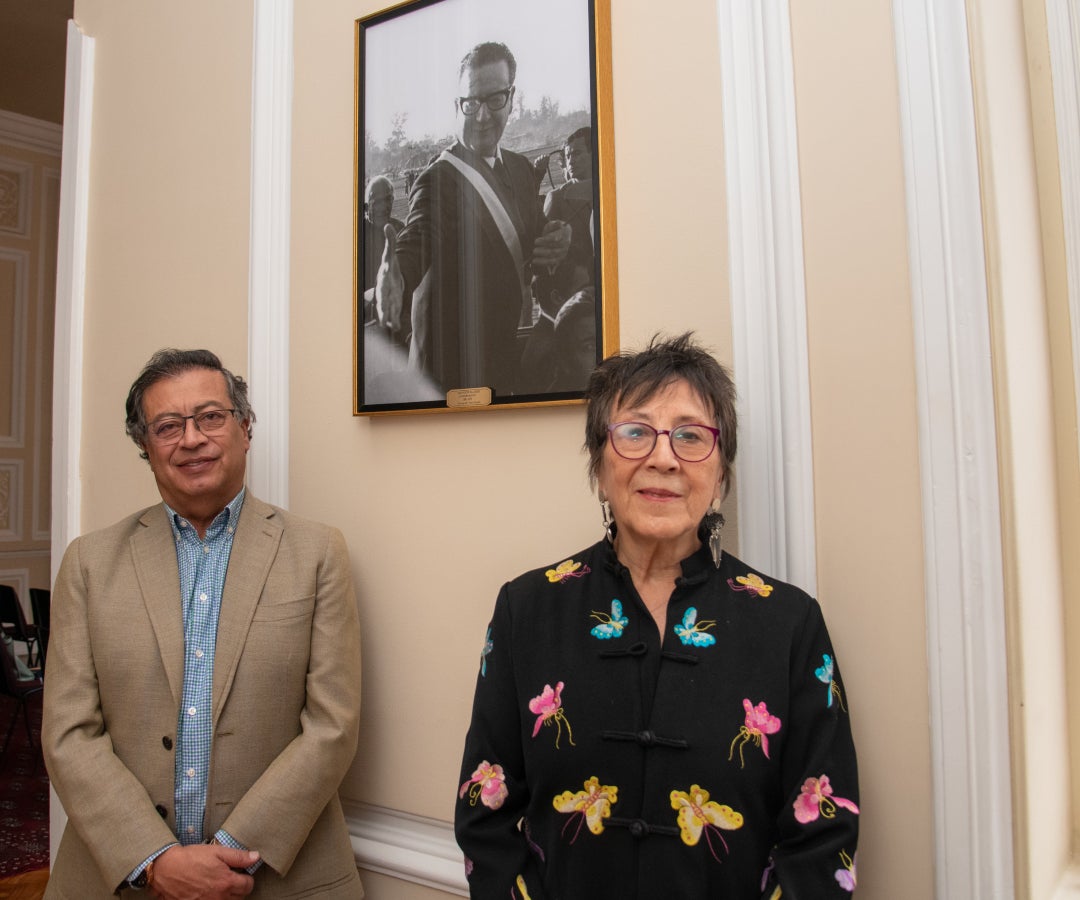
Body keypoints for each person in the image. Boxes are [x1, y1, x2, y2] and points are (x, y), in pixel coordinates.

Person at [455, 334, 859, 898]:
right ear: (598, 466)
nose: (663, 457)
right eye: (635, 432)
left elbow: (824, 835)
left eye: (691, 436)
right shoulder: (527, 608)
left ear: (720, 475)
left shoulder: (788, 623)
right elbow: (485, 810)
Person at [42, 349, 363, 899]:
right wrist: (156, 860)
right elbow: (70, 733)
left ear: (244, 429)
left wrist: (231, 854)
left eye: (210, 417)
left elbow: (333, 725)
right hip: (119, 877)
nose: (191, 439)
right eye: (167, 426)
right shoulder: (89, 563)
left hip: (279, 875)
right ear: (145, 446)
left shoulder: (317, 552)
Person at [375, 41, 571, 399]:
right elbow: (418, 235)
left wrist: (554, 239)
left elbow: (522, 241)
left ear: (512, 99)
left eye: (494, 99)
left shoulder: (521, 170)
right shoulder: (438, 181)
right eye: (471, 103)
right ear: (458, 105)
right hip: (444, 381)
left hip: (503, 366)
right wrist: (397, 275)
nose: (481, 116)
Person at [533, 126, 595, 314]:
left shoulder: (612, 189)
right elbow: (544, 252)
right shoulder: (557, 197)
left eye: (577, 154)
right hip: (572, 289)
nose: (571, 161)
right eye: (568, 156)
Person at [362, 175, 404, 299]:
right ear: (366, 206)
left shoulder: (400, 229)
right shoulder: (358, 234)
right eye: (377, 201)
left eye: (388, 199)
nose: (384, 207)